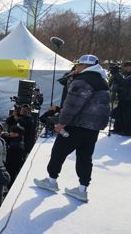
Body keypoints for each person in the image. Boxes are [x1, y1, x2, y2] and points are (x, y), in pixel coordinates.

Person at [34, 54, 111, 203]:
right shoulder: (102, 81)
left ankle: (51, 181)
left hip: (77, 125)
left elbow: (72, 105)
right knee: (85, 157)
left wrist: (61, 123)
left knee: (58, 152)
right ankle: (82, 189)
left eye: (78, 65)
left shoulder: (82, 81)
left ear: (84, 66)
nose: (76, 67)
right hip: (93, 128)